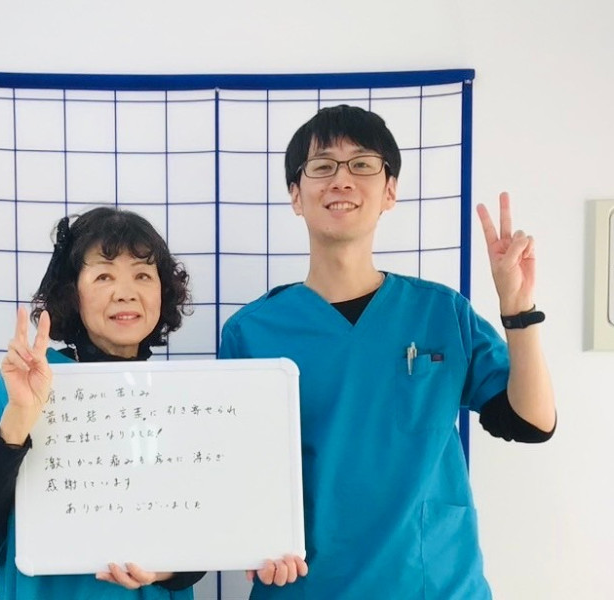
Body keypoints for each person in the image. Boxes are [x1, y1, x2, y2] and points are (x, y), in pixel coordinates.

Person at [218, 105, 556, 599]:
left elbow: (531, 423)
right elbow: (237, 470)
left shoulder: (441, 312)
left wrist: (518, 310)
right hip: (308, 586)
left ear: (390, 191)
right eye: (322, 166)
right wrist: (252, 543)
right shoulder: (252, 332)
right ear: (295, 195)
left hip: (433, 585)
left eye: (362, 164)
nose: (341, 180)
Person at [0, 206, 205, 599]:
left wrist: (165, 570)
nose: (126, 292)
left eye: (142, 275)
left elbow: (201, 527)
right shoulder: (32, 377)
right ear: (72, 293)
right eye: (104, 276)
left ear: (162, 291)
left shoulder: (183, 394)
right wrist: (20, 415)